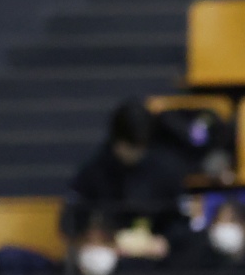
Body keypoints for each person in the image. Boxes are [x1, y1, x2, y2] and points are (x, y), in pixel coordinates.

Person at [65, 101, 186, 263]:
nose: (134, 154)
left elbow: (181, 220)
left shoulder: (164, 169)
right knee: (96, 261)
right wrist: (97, 237)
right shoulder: (95, 170)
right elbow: (71, 220)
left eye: (140, 147)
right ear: (116, 141)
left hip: (157, 256)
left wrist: (166, 241)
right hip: (111, 256)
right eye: (129, 146)